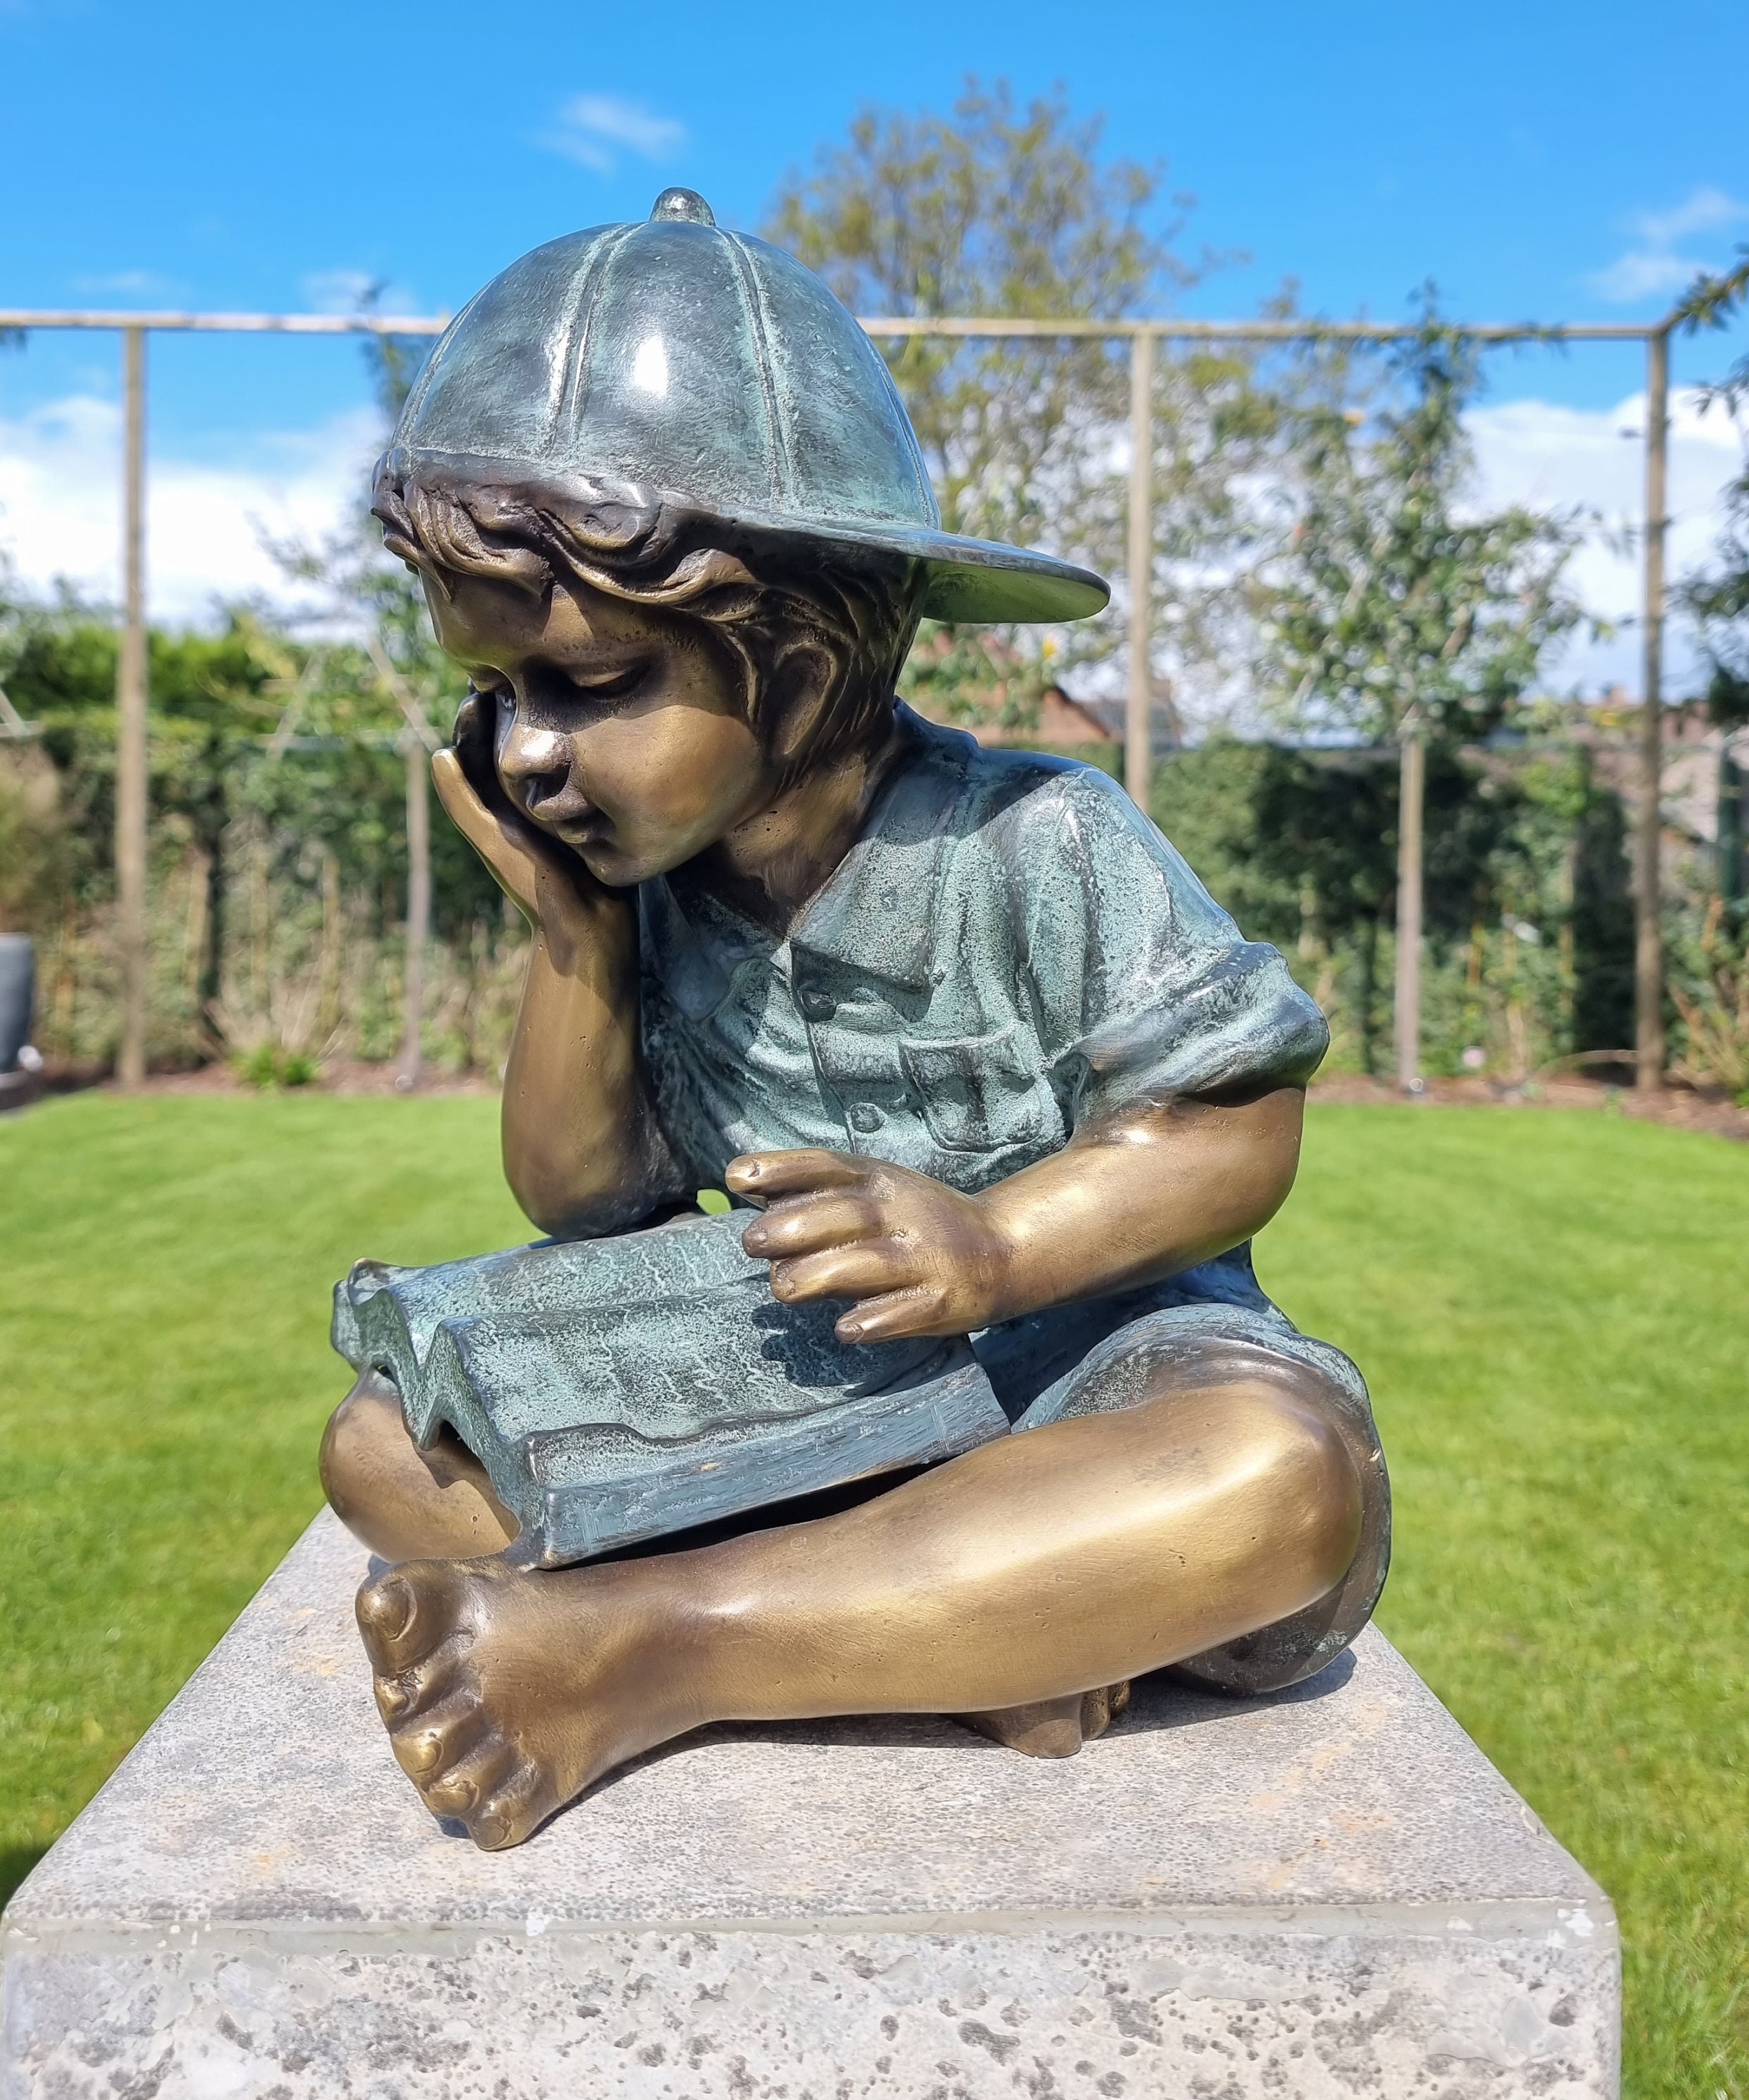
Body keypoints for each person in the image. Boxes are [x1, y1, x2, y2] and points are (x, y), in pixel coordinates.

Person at [319, 190, 1388, 1851]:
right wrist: (578, 942)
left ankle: (662, 1646)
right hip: (809, 1401)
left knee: (1280, 1481)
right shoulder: (653, 896)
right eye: (498, 692)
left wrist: (1004, 1247)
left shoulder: (1039, 839)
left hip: (1097, 1368)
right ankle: (963, 1616)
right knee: (392, 1446)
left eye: (588, 687)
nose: (527, 753)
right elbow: (584, 1200)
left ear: (808, 658)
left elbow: (1230, 1118)